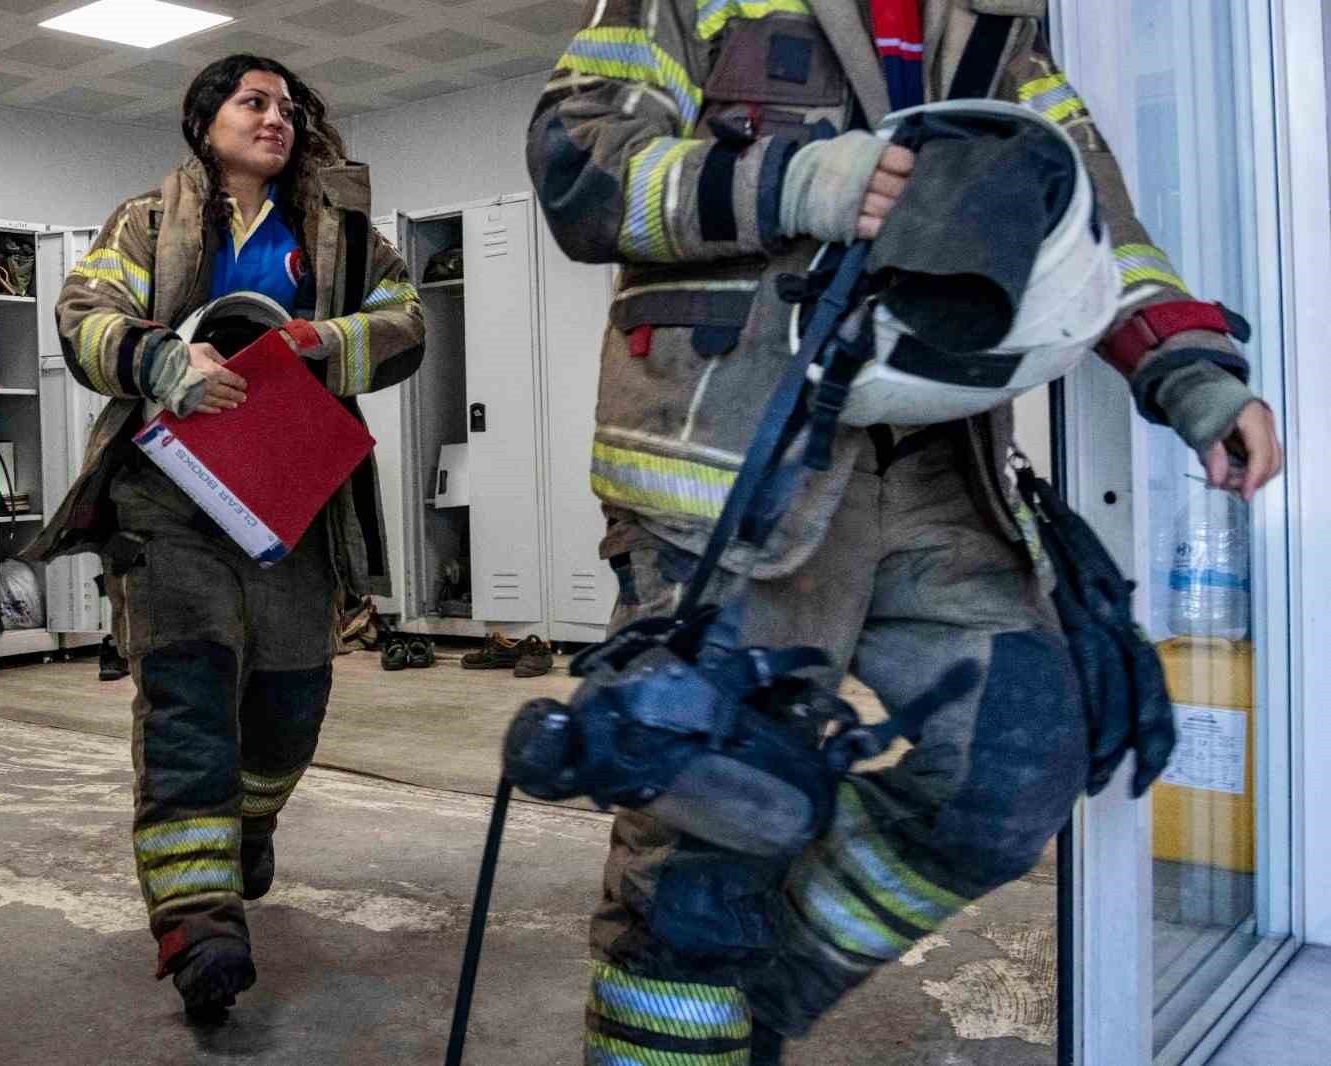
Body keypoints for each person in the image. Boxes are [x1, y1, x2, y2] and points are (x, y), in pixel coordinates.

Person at [525, 1, 1283, 1061]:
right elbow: (579, 167)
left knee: (1014, 764)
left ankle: (756, 1006)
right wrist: (792, 182)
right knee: (711, 827)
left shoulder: (998, 24)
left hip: (937, 459)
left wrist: (1187, 370)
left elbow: (1088, 218)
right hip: (738, 458)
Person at [24, 54, 424, 1020]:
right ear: (206, 120)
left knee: (291, 701)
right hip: (169, 502)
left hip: (291, 499)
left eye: (287, 107)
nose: (274, 118)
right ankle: (198, 923)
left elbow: (406, 321)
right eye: (253, 102)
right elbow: (83, 315)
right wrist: (166, 360)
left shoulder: (340, 231)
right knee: (189, 702)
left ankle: (249, 820)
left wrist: (321, 343)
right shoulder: (147, 223)